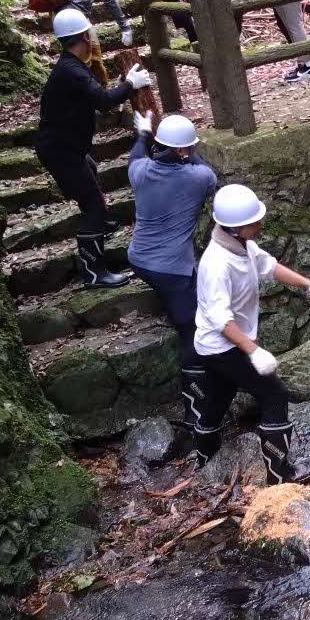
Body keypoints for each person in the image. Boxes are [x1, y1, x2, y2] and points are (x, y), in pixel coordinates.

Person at [192, 184, 310, 483]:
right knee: (274, 395)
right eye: (254, 222)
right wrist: (252, 350)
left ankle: (204, 461)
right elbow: (221, 319)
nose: (260, 225)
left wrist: (308, 284)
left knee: (218, 398)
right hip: (222, 347)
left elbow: (269, 267)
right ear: (234, 227)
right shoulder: (216, 264)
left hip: (223, 345)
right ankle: (279, 473)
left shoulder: (241, 246)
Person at [35, 7, 153, 289]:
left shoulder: (70, 67)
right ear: (85, 37)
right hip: (61, 152)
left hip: (68, 149)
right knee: (92, 206)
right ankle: (94, 273)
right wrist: (129, 85)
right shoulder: (72, 70)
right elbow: (103, 99)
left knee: (91, 176)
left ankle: (100, 226)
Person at [127, 111, 219, 424]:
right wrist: (187, 154)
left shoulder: (139, 172)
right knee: (190, 329)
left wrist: (142, 132)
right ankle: (198, 408)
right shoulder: (199, 178)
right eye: (189, 146)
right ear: (182, 151)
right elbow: (203, 168)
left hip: (138, 259)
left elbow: (136, 155)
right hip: (171, 269)